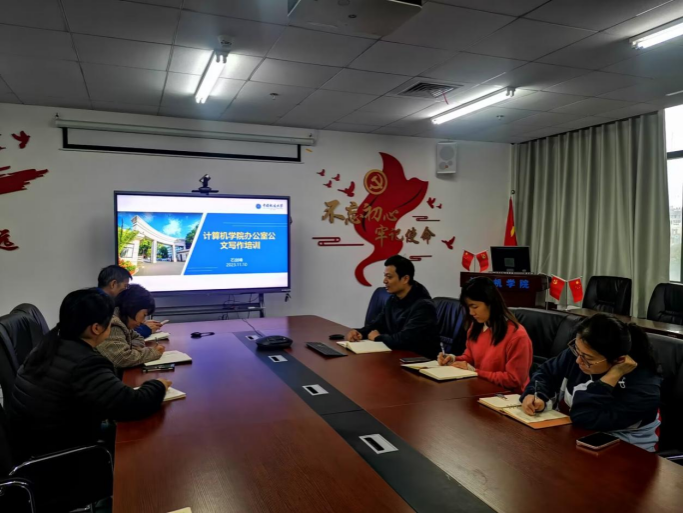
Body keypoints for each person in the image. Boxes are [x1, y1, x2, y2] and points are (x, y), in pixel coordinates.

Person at [8, 289, 169, 460]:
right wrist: (159, 385)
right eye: (109, 323)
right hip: (61, 455)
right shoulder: (86, 363)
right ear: (96, 328)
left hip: (31, 445)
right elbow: (133, 405)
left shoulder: (47, 344)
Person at [520, 313, 662, 452]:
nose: (578, 360)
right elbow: (546, 372)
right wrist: (536, 394)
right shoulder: (580, 354)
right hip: (578, 437)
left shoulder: (643, 389)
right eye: (577, 350)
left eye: (588, 358)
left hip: (626, 451)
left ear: (619, 360)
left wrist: (612, 376)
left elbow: (584, 417)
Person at [438, 277, 533, 393]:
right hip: (479, 390)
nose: (471, 313)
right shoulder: (476, 327)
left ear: (491, 303)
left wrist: (476, 372)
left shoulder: (517, 336)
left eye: (475, 307)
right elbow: (470, 358)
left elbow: (514, 379)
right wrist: (453, 359)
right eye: (468, 307)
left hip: (506, 396)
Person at [346, 255, 440, 357]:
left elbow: (405, 339)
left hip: (419, 360)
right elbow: (378, 323)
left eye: (389, 277)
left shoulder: (424, 306)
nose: (384, 281)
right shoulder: (394, 299)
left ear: (405, 279)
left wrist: (378, 338)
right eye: (385, 276)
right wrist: (360, 332)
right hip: (397, 355)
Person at [96, 284, 165, 369]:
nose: (143, 321)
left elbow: (138, 338)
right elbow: (123, 359)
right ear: (132, 307)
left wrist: (133, 349)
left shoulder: (123, 321)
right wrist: (154, 352)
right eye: (144, 315)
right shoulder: (114, 324)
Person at [97, 265, 162, 337]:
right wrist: (144, 329)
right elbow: (117, 332)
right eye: (125, 286)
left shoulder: (98, 299)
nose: (126, 291)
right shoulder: (99, 306)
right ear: (113, 284)